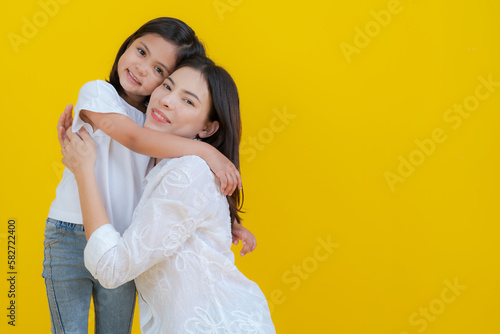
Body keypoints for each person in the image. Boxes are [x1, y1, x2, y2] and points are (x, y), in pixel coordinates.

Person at [44, 17, 255, 334]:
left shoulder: (156, 122)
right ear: (127, 44)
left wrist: (229, 221)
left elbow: (176, 192)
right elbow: (131, 138)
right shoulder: (99, 94)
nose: (143, 69)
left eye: (160, 71)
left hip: (119, 241)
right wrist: (208, 151)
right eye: (141, 51)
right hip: (69, 232)